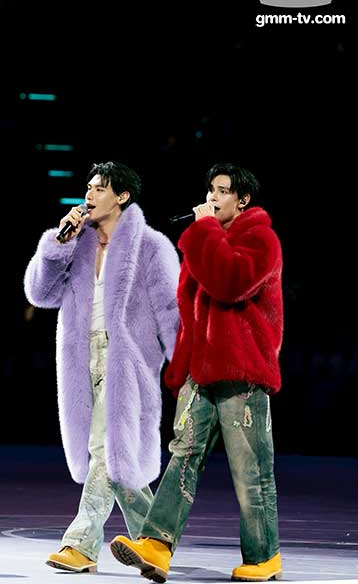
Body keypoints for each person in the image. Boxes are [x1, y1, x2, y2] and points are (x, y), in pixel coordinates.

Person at [110, 162, 284, 582]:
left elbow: (231, 283)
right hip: (202, 374)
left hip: (243, 373)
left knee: (250, 471)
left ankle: (264, 557)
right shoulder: (207, 242)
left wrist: (204, 231)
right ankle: (156, 545)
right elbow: (189, 314)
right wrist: (181, 368)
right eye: (210, 190)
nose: (212, 197)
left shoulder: (261, 238)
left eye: (222, 191)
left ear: (243, 200)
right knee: (182, 458)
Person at [24, 161, 180, 572]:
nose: (89, 195)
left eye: (99, 188)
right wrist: (58, 244)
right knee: (117, 456)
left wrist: (183, 368)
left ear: (122, 197)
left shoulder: (151, 246)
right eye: (88, 187)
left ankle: (80, 545)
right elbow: (39, 294)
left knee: (104, 448)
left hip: (126, 362)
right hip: (81, 360)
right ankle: (155, 539)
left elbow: (171, 312)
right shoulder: (76, 244)